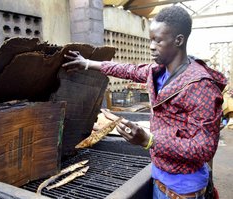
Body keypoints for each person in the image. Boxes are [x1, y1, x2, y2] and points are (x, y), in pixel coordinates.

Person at [62, 6, 226, 199]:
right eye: (150, 40)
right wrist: (88, 64)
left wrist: (149, 140)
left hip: (183, 189)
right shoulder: (158, 71)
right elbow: (127, 70)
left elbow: (204, 148)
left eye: (158, 40)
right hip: (160, 178)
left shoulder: (200, 86)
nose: (151, 46)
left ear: (178, 40)